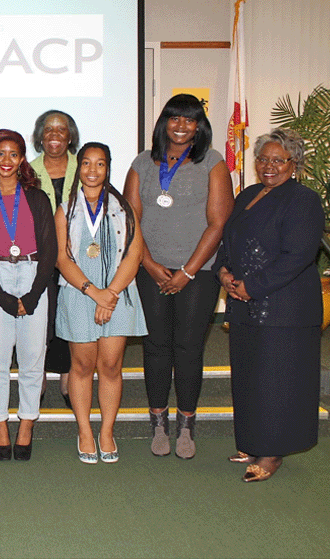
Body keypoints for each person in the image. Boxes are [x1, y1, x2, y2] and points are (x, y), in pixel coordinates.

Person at [124, 93, 234, 459]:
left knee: (188, 347)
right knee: (156, 347)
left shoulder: (212, 163)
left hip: (198, 274)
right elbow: (130, 220)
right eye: (175, 118)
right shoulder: (142, 162)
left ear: (199, 125)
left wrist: (187, 271)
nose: (182, 126)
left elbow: (218, 223)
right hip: (150, 269)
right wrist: (150, 264)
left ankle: (187, 420)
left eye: (190, 119)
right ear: (164, 122)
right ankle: (158, 419)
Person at [215, 128, 323, 482]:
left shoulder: (303, 200)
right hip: (246, 305)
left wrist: (252, 286)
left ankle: (272, 451)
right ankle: (251, 441)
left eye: (278, 160)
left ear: (294, 164)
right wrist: (224, 273)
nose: (268, 166)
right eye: (263, 159)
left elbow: (298, 256)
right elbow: (227, 239)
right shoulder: (247, 194)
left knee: (279, 380)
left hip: (285, 309)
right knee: (250, 378)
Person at [0, 130, 56, 461]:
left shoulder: (37, 198)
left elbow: (49, 249)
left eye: (14, 154)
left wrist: (34, 294)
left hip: (34, 274)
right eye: (0, 154)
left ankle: (26, 425)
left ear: (22, 160)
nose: (7, 161)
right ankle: (0, 424)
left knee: (34, 359)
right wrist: (3, 297)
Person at [56, 143, 146, 463]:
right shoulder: (66, 210)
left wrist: (110, 295)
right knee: (81, 366)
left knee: (110, 366)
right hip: (80, 294)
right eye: (87, 164)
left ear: (108, 169)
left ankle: (107, 431)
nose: (93, 171)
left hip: (118, 294)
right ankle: (84, 431)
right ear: (77, 168)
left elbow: (133, 255)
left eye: (101, 164)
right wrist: (96, 294)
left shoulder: (123, 209)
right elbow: (62, 259)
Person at [29, 110, 79, 408]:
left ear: (70, 136)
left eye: (61, 129)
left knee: (71, 317)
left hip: (78, 260)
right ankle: (39, 379)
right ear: (40, 136)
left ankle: (68, 380)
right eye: (48, 129)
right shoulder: (27, 170)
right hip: (39, 261)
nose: (55, 135)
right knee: (40, 320)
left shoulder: (85, 166)